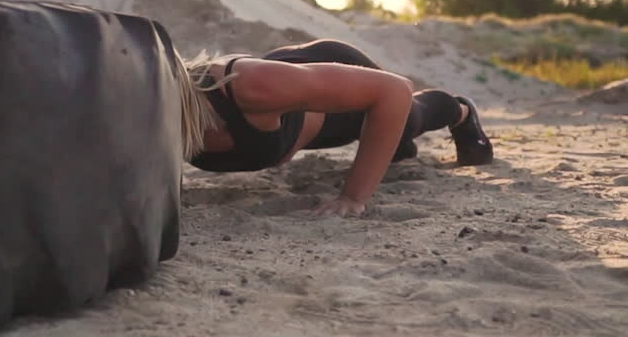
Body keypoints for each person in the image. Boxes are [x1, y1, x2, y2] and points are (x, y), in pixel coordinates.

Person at [175, 39, 493, 217]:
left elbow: (395, 89)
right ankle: (399, 146)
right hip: (291, 103)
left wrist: (353, 197)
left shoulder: (246, 89)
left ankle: (461, 111)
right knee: (396, 145)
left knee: (410, 117)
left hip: (323, 79)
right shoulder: (146, 126)